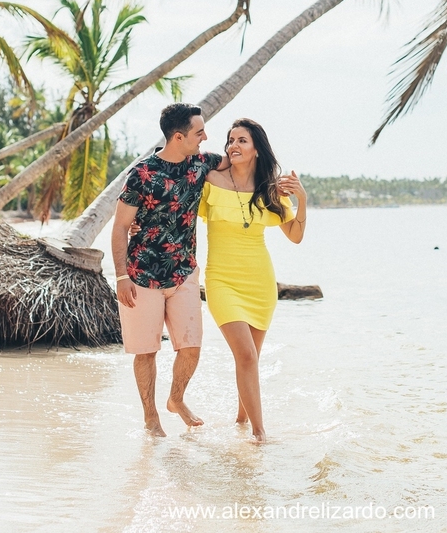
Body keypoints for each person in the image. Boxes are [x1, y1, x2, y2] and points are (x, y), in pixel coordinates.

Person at [111, 103, 225, 437]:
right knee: (146, 351)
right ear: (178, 137)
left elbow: (238, 163)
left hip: (184, 272)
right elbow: (120, 228)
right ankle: (151, 417)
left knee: (191, 347)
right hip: (141, 275)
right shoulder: (143, 173)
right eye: (199, 132)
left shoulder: (201, 162)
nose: (205, 137)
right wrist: (120, 277)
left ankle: (176, 400)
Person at [199, 118, 307, 444]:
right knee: (245, 356)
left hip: (260, 283)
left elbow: (296, 236)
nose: (233, 146)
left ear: (257, 148)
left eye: (242, 140)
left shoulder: (270, 190)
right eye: (230, 140)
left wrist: (302, 199)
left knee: (251, 360)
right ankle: (260, 436)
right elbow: (180, 214)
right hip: (221, 280)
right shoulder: (211, 180)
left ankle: (241, 423)